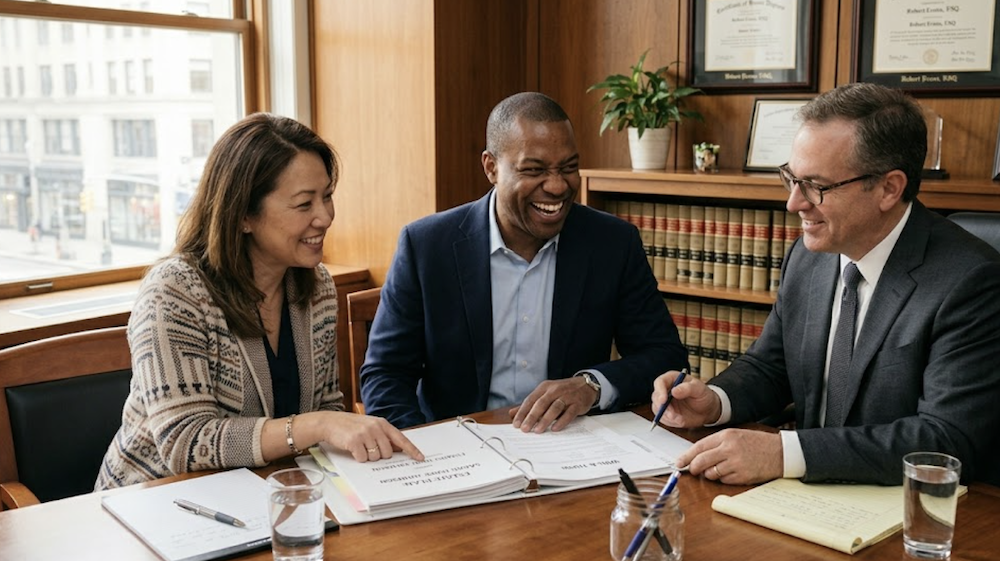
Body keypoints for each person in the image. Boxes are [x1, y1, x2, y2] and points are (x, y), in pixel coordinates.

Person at [651, 82, 1000, 486]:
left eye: (816, 186)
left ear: (889, 188)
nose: (794, 203)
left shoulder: (970, 282)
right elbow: (771, 365)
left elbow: (945, 440)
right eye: (791, 178)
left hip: (908, 512)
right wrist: (714, 402)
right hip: (805, 499)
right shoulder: (810, 256)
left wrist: (786, 454)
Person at [96, 113, 422, 490]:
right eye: (304, 204)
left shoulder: (317, 288)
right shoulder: (174, 292)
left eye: (327, 196)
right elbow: (185, 443)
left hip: (267, 494)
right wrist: (314, 426)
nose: (326, 216)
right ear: (244, 216)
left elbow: (328, 407)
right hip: (153, 506)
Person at [361, 92, 687, 432]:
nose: (558, 186)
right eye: (534, 170)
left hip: (573, 446)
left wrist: (591, 385)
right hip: (460, 447)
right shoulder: (427, 246)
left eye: (569, 167)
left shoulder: (613, 243)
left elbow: (665, 356)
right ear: (491, 167)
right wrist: (428, 450)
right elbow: (385, 374)